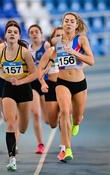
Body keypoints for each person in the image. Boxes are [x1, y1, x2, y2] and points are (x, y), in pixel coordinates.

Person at [0, 20, 36, 171]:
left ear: (19, 36)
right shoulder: (0, 51)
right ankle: (12, 159)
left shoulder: (24, 52)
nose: (12, 34)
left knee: (23, 128)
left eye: (15, 32)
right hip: (8, 88)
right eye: (9, 32)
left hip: (24, 88)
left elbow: (34, 74)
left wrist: (20, 82)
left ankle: (19, 130)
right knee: (10, 122)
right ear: (5, 35)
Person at [54, 12, 94, 161]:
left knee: (76, 118)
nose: (69, 23)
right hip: (62, 82)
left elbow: (91, 60)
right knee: (64, 111)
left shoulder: (81, 39)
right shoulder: (57, 41)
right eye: (66, 21)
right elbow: (50, 60)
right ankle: (67, 149)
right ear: (63, 23)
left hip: (79, 84)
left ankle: (77, 122)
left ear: (76, 25)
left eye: (72, 21)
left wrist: (74, 53)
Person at [28, 24, 50, 154]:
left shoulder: (46, 46)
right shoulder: (27, 49)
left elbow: (51, 63)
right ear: (29, 35)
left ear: (41, 33)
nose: (34, 34)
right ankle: (40, 144)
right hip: (33, 84)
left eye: (36, 31)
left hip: (45, 83)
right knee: (36, 114)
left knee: (48, 120)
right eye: (32, 32)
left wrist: (42, 72)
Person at [38, 27, 64, 128]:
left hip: (65, 84)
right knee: (52, 124)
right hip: (51, 86)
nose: (60, 38)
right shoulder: (50, 51)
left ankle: (65, 142)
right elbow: (39, 69)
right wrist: (43, 83)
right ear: (53, 38)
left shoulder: (70, 50)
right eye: (57, 36)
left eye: (62, 35)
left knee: (65, 113)